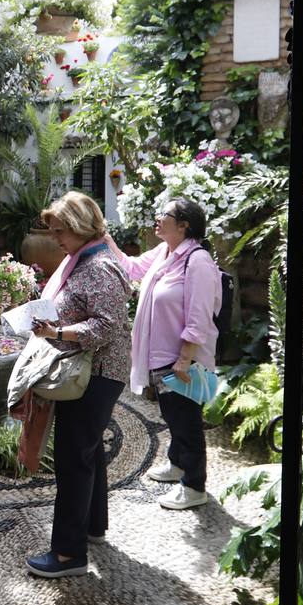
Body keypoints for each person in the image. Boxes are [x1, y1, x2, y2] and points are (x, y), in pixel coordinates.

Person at [24, 191, 132, 579]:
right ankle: (92, 527)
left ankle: (69, 555)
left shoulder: (99, 266)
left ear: (79, 228)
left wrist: (59, 331)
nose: (55, 239)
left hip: (97, 373)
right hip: (94, 371)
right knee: (88, 452)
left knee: (73, 457)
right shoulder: (85, 259)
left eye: (59, 231)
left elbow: (107, 325)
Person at [109, 197, 222, 511]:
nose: (157, 218)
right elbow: (131, 268)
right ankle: (177, 465)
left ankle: (195, 485)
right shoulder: (165, 252)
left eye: (165, 214)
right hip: (161, 355)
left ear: (184, 224)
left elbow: (198, 316)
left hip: (182, 359)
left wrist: (184, 358)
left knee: (186, 421)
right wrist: (106, 240)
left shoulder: (197, 261)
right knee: (172, 415)